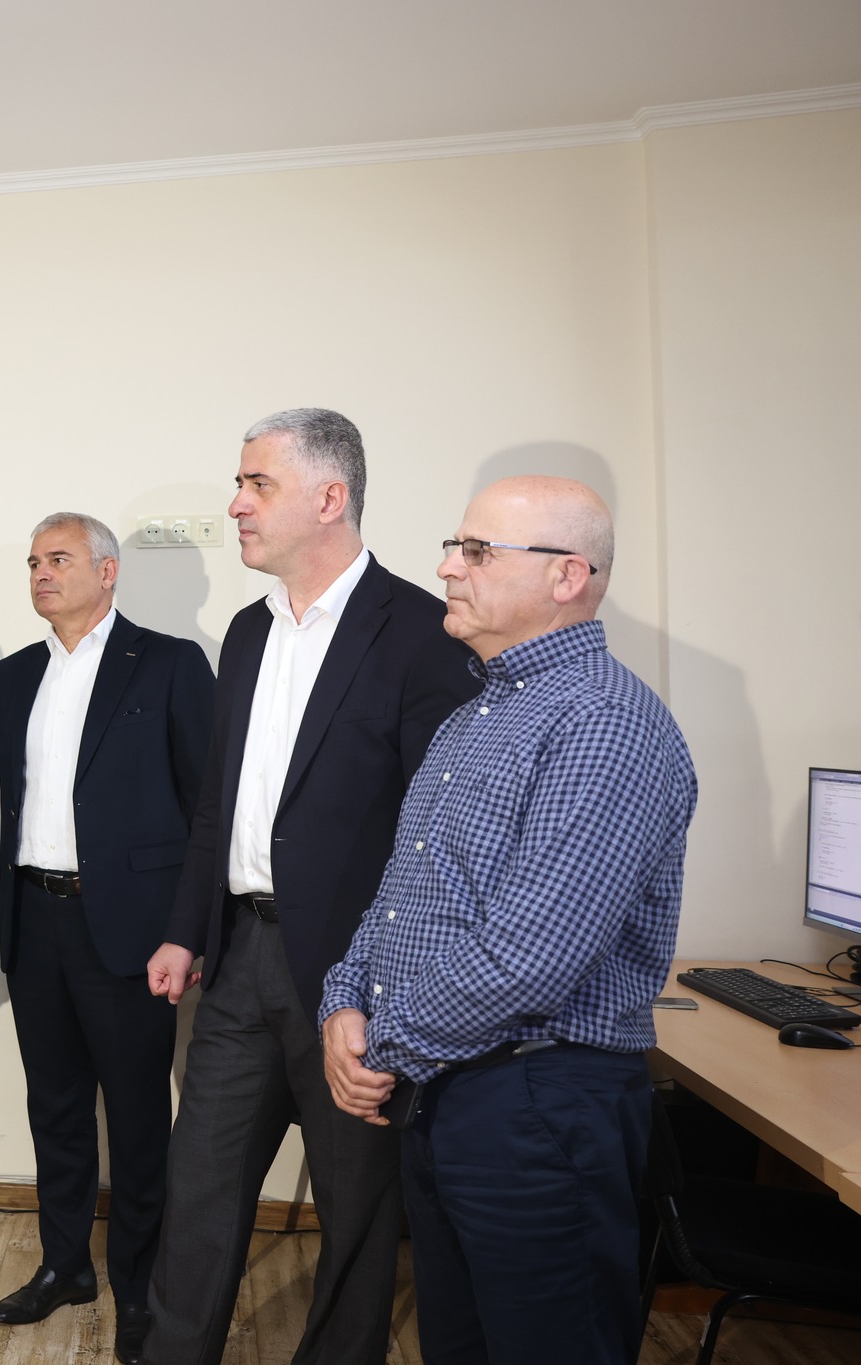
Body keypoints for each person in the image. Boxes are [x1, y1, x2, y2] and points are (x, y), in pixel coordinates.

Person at [318, 476, 696, 1365]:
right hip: (448, 1090)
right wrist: (344, 999)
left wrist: (382, 1041)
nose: (448, 567)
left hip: (536, 1104)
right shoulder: (477, 715)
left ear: (568, 575)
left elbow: (530, 956)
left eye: (477, 551)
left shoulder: (603, 722)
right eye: (455, 547)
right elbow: (404, 893)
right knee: (459, 1344)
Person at [144, 409, 478, 1365]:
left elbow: (435, 839)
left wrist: (385, 986)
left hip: (354, 978)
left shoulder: (421, 632)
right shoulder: (248, 631)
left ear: (330, 498)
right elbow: (220, 803)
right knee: (199, 1190)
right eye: (239, 484)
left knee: (356, 1211)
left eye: (258, 484)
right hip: (238, 959)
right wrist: (185, 926)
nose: (236, 504)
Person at [0, 512, 212, 1364]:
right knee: (54, 1107)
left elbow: (206, 806)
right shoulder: (15, 675)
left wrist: (187, 931)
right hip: (33, 917)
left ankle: (141, 1288)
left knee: (138, 1115)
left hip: (127, 928)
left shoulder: (169, 662)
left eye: (59, 558)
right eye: (33, 561)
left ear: (108, 571)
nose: (41, 573)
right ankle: (64, 1265)